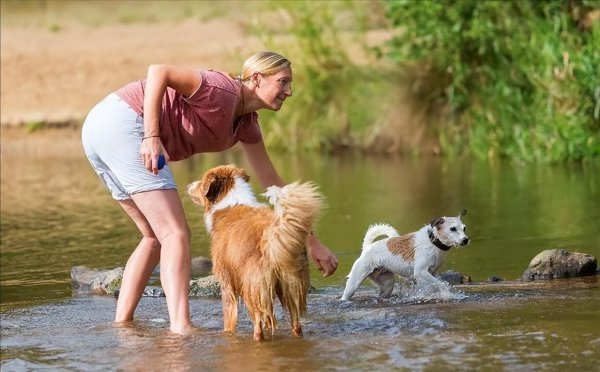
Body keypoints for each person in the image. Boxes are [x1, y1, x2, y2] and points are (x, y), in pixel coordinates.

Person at [81, 51, 339, 335]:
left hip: (100, 128)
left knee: (153, 237)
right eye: (283, 82)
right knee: (175, 234)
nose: (289, 91)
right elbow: (158, 71)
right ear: (256, 78)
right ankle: (181, 327)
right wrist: (151, 136)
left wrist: (311, 242)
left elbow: (272, 182)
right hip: (124, 123)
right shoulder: (221, 91)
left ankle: (122, 325)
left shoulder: (246, 124)